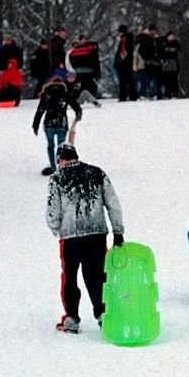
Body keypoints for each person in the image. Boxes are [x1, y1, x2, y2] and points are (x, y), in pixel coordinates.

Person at [45, 142, 125, 333]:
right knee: (97, 277)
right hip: (96, 234)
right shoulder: (97, 173)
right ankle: (103, 315)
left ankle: (72, 318)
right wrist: (118, 231)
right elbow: (113, 203)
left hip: (70, 237)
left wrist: (58, 229)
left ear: (60, 160)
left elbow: (51, 212)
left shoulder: (57, 178)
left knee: (69, 277)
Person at [33, 77, 82, 175]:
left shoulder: (46, 95)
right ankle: (61, 167)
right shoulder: (64, 94)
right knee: (61, 147)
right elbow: (76, 107)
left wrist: (35, 125)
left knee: (50, 146)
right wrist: (78, 116)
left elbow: (40, 111)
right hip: (61, 123)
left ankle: (52, 167)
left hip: (49, 124)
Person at [112, 26, 136, 102]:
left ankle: (130, 95)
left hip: (126, 61)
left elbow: (127, 50)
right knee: (124, 80)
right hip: (122, 62)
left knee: (128, 79)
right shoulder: (122, 39)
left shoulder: (128, 39)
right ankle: (125, 96)